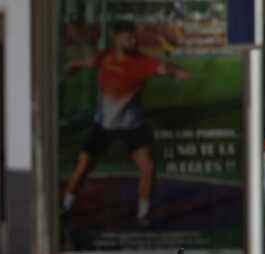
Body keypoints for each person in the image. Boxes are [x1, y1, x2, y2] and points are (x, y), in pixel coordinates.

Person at [62, 19, 190, 226]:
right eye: (128, 36)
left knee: (147, 167)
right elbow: (89, 63)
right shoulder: (106, 57)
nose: (132, 40)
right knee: (83, 167)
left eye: (133, 36)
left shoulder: (141, 62)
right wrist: (73, 66)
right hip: (103, 125)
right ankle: (66, 207)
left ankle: (142, 215)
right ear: (117, 38)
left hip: (131, 127)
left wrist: (178, 72)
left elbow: (163, 67)